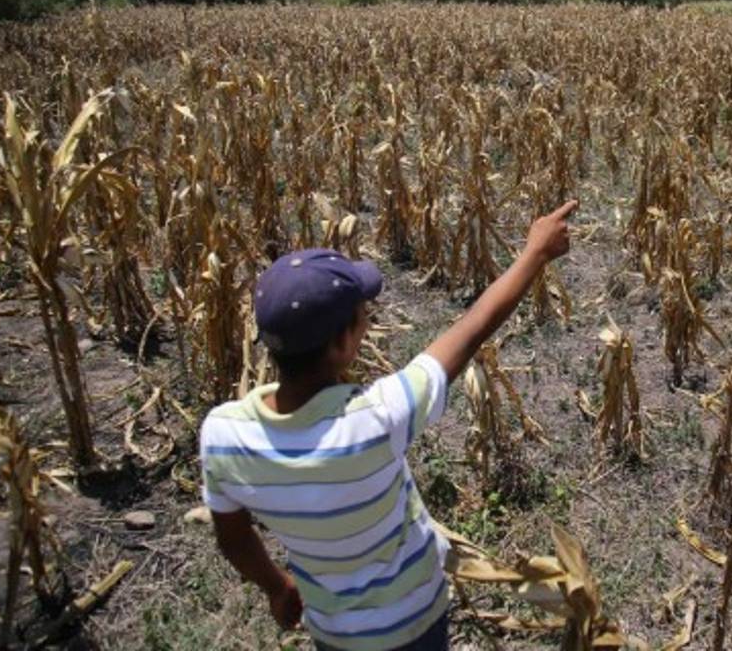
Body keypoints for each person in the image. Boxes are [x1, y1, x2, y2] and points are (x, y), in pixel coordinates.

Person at [198, 201, 578, 651]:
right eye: (363, 314)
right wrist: (535, 253)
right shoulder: (375, 420)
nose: (367, 319)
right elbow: (474, 328)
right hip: (416, 623)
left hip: (333, 633)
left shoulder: (223, 436)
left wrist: (277, 587)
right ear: (343, 342)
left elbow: (233, 536)